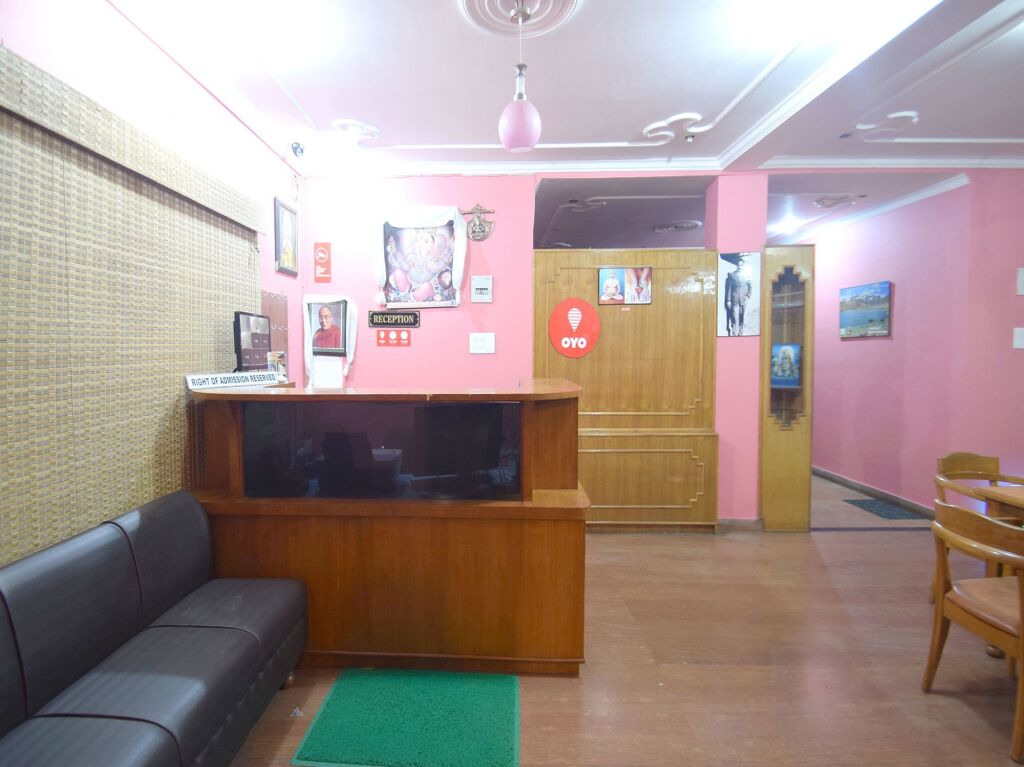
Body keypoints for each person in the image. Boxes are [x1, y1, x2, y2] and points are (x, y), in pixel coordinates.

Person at [724, 257, 753, 335]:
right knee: (734, 318)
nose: (739, 267)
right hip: (734, 300)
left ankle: (741, 333)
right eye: (738, 265)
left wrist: (748, 296)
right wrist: (728, 300)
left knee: (742, 317)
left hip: (743, 300)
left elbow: (750, 287)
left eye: (741, 265)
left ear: (743, 266)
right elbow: (729, 288)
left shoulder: (747, 275)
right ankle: (734, 334)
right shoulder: (732, 275)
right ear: (736, 266)